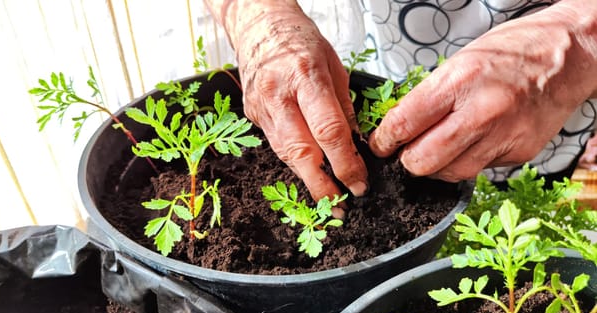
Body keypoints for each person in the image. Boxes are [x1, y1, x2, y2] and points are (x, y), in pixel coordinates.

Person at [203, 0, 597, 214]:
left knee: (521, 213)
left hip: (553, 117)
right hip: (387, 76)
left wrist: (579, 38)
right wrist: (258, 15)